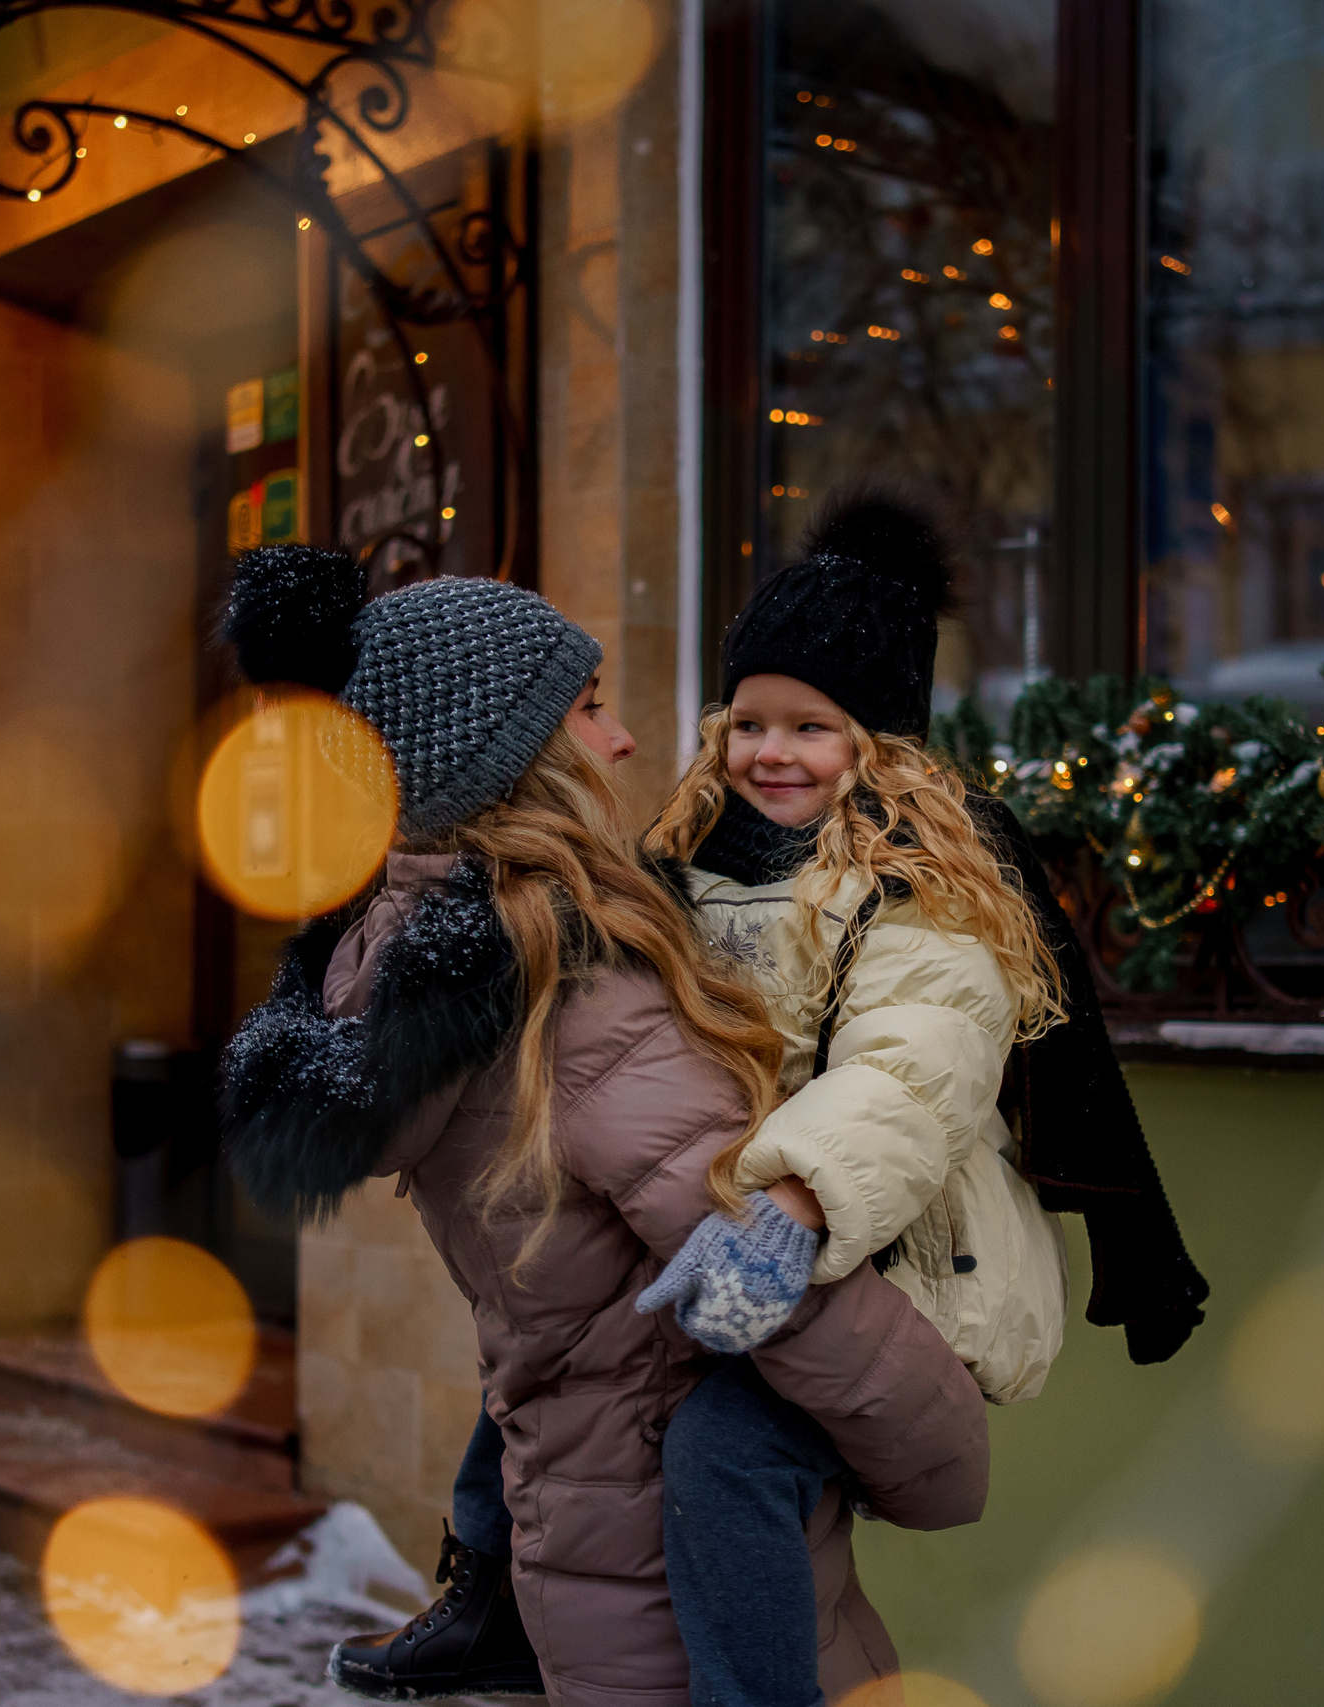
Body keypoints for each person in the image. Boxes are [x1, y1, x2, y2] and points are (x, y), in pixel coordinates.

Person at [370, 492, 1213, 1707]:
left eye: (812, 728)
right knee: (550, 1380)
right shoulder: (695, 861)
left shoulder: (921, 887)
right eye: (748, 722)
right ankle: (486, 1597)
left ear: (881, 745)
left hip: (907, 1259)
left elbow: (907, 1075)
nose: (771, 753)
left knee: (723, 1455)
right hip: (752, 1235)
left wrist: (801, 1203)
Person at [217, 547, 990, 1707]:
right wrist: (940, 1453)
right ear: (514, 758)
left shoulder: (408, 952)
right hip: (672, 1561)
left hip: (584, 1532)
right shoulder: (576, 987)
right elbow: (748, 1262)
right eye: (587, 709)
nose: (624, 740)